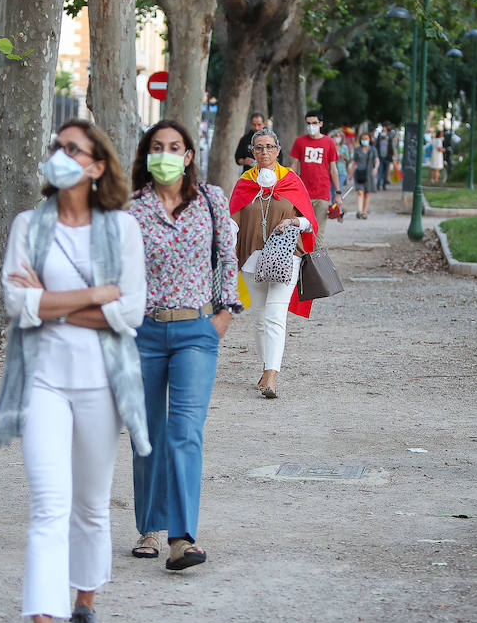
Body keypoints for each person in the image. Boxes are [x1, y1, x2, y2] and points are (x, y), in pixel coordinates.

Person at [0, 118, 148, 623]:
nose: (61, 155)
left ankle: (85, 605)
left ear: (98, 166)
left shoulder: (122, 230)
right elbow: (15, 303)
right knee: (48, 506)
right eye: (57, 147)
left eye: (73, 149)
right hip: (42, 381)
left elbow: (130, 311)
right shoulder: (27, 226)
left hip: (101, 385)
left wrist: (52, 302)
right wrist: (93, 298)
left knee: (89, 504)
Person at [125, 120, 241, 571]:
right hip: (143, 333)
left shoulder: (211, 201)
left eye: (175, 147)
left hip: (197, 331)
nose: (166, 154)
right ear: (146, 154)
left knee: (184, 432)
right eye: (158, 147)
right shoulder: (130, 209)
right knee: (147, 433)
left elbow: (227, 256)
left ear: (189, 155)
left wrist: (225, 314)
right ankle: (150, 527)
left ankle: (181, 537)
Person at [230, 128, 317, 399]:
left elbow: (309, 222)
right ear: (252, 152)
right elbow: (232, 220)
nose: (264, 152)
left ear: (278, 150)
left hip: (285, 257)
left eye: (269, 147)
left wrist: (292, 221)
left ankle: (271, 374)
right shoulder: (245, 182)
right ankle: (266, 365)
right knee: (258, 317)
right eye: (259, 147)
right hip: (251, 258)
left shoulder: (292, 180)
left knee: (275, 315)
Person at [288, 110, 339, 243]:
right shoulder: (300, 141)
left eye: (314, 123)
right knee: (300, 230)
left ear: (321, 123)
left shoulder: (329, 142)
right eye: (308, 123)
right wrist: (288, 186)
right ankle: (301, 262)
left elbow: (333, 169)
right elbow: (294, 166)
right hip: (303, 193)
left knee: (318, 234)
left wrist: (338, 192)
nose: (311, 126)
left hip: (322, 193)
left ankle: (316, 263)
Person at [351, 132, 377, 219]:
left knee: (367, 194)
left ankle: (364, 211)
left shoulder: (373, 149)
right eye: (363, 139)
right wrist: (350, 173)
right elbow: (354, 162)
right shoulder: (358, 150)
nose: (364, 140)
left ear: (369, 139)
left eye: (366, 138)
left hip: (369, 174)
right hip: (359, 173)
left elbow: (377, 160)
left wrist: (375, 168)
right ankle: (359, 211)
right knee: (360, 191)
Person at [375, 125, 394, 191]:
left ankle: (384, 185)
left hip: (386, 158)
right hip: (380, 158)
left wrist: (391, 157)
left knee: (385, 172)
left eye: (385, 131)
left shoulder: (389, 139)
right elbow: (376, 147)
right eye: (383, 131)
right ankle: (378, 184)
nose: (384, 132)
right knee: (380, 171)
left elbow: (391, 148)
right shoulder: (378, 139)